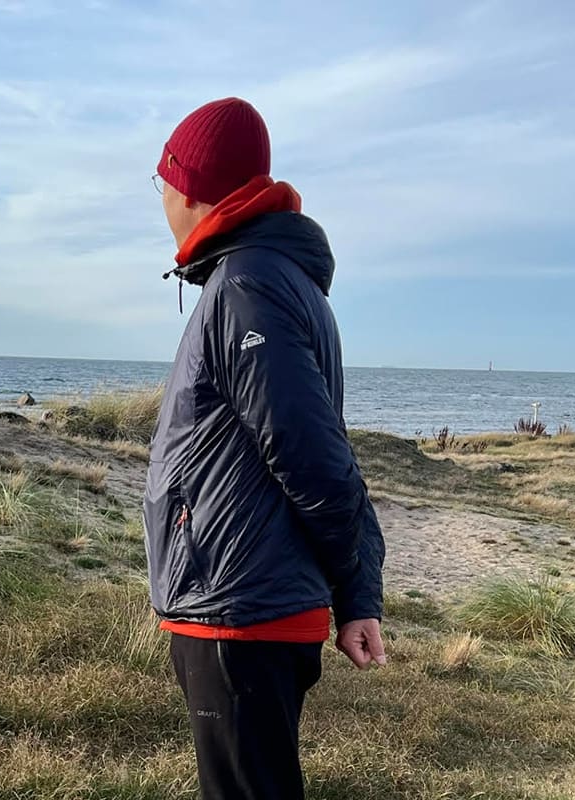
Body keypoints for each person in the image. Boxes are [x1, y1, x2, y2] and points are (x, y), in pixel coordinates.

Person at [145, 96, 387, 800]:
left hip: (239, 605)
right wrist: (356, 593)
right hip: (249, 598)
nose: (161, 198)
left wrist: (356, 590)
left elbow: (312, 458)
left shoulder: (246, 286)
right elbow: (322, 451)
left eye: (162, 181)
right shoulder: (272, 279)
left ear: (190, 189)